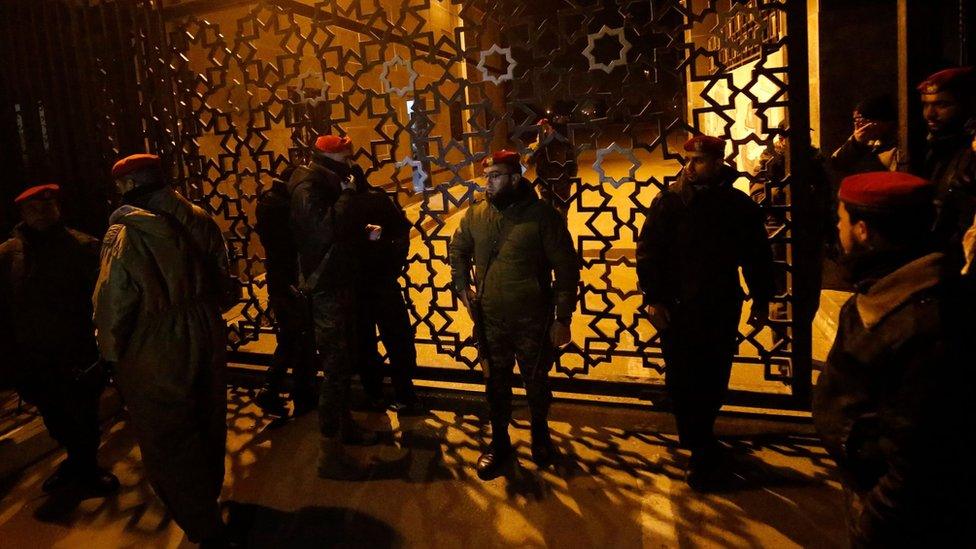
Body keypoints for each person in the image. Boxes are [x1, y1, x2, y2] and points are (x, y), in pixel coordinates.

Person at [813, 171, 976, 546]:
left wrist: (874, 523)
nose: (837, 232)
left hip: (893, 514)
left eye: (841, 221)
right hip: (866, 478)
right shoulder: (885, 291)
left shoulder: (925, 324)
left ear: (863, 230)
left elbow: (921, 461)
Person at [93, 154, 236, 546]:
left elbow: (112, 301)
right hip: (205, 327)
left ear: (125, 185)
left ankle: (203, 525)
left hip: (154, 339)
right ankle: (207, 496)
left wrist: (110, 352)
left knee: (167, 435)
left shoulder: (125, 232)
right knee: (208, 416)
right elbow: (223, 275)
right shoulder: (198, 216)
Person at [636, 135, 774, 491]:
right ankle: (698, 445)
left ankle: (702, 437)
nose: (689, 167)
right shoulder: (670, 203)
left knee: (714, 376)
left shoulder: (737, 205)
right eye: (688, 160)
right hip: (677, 309)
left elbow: (756, 255)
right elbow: (649, 252)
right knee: (682, 378)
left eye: (698, 161)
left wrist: (761, 297)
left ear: (717, 162)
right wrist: (654, 298)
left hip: (720, 306)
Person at [449, 149, 579, 481]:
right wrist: (464, 287)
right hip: (491, 319)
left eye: (495, 176)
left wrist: (562, 317)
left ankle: (540, 433)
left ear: (515, 178)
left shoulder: (542, 216)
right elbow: (459, 250)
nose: (487, 183)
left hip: (532, 319)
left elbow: (565, 269)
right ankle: (500, 442)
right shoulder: (475, 215)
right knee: (495, 383)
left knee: (536, 382)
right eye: (486, 177)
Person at [0, 184, 119, 496]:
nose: (42, 213)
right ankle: (77, 463)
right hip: (34, 356)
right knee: (54, 416)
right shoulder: (10, 254)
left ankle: (86, 468)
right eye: (34, 209)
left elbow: (105, 299)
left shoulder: (82, 247)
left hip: (75, 351)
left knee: (83, 416)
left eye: (47, 207)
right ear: (23, 213)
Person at [287, 135, 379, 480]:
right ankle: (329, 452)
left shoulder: (330, 178)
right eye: (346, 152)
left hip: (341, 279)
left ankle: (345, 427)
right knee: (336, 364)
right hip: (325, 285)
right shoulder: (309, 184)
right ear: (328, 154)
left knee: (346, 358)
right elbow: (323, 229)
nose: (351, 157)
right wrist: (346, 196)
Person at [350, 179, 423, 416]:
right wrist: (392, 265)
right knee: (396, 339)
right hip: (378, 282)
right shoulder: (375, 197)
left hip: (362, 285)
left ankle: (376, 395)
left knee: (367, 343)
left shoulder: (348, 202)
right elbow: (402, 231)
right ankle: (403, 394)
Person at [253, 166, 318, 417]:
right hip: (288, 282)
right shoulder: (280, 207)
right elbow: (293, 244)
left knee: (293, 337)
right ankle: (280, 390)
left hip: (281, 280)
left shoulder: (270, 201)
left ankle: (290, 391)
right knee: (297, 336)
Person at [917, 66, 976, 260]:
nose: (930, 114)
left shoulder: (971, 151)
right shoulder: (937, 145)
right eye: (926, 105)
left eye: (942, 104)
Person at [829, 94, 907, 177]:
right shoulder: (862, 139)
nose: (858, 126)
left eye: (862, 120)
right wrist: (856, 143)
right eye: (855, 120)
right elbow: (836, 163)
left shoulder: (899, 143)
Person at [528, 116, 578, 217]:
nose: (545, 133)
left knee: (562, 214)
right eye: (542, 131)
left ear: (552, 129)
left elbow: (572, 160)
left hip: (562, 184)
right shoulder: (534, 146)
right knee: (549, 214)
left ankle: (562, 231)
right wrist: (539, 145)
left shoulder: (563, 143)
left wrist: (571, 177)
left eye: (547, 129)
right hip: (546, 185)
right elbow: (529, 161)